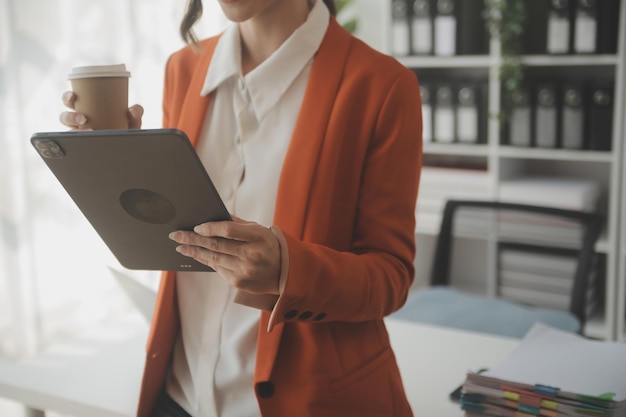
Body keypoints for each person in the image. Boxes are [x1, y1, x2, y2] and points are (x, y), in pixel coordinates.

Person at [60, 0, 423, 416]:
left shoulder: (381, 85)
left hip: (306, 402)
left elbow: (391, 276)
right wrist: (122, 164)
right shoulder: (183, 68)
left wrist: (289, 270)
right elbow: (171, 231)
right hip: (180, 394)